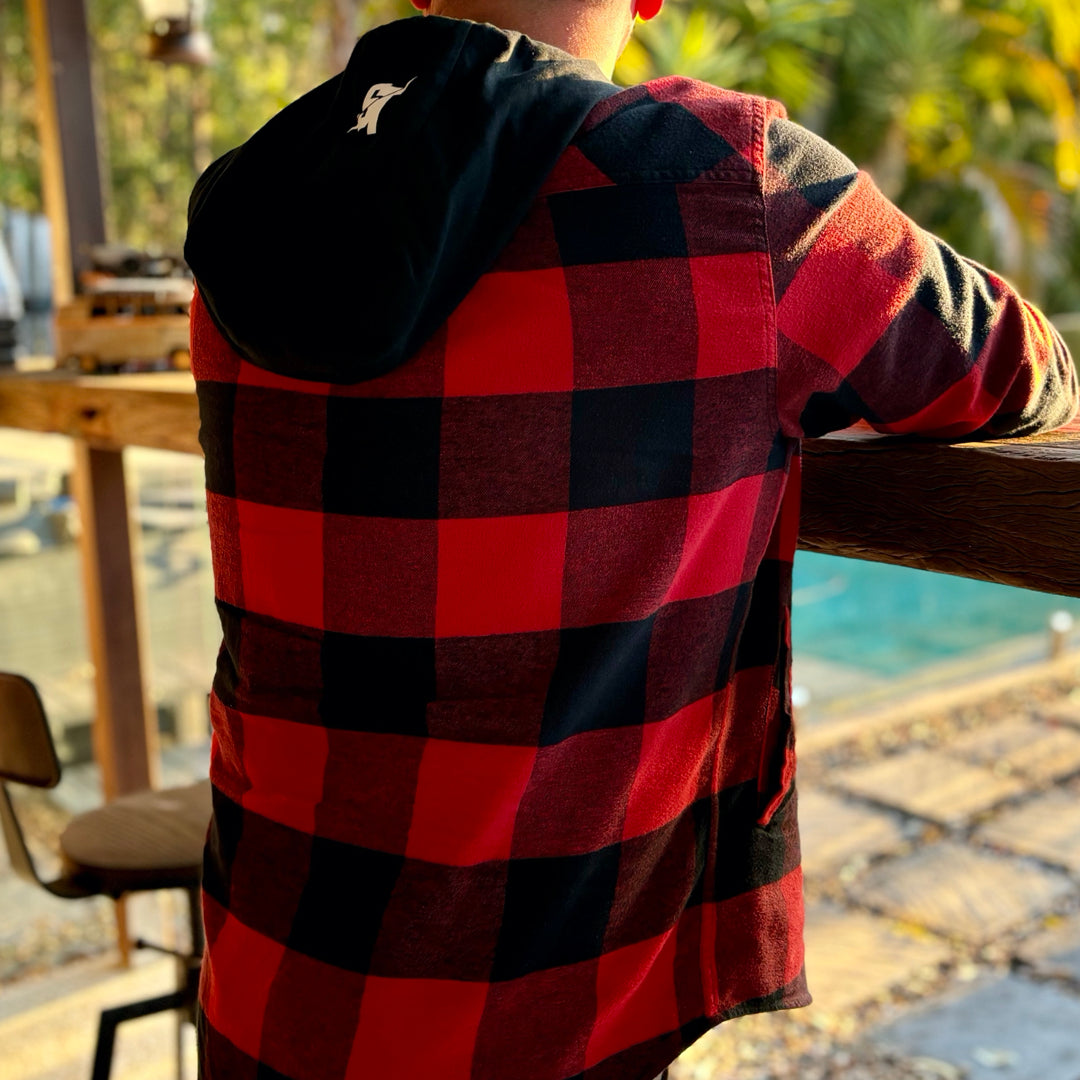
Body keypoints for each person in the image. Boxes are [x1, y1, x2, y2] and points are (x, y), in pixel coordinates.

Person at [182, 0, 1078, 1076]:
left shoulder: (263, 201)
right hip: (547, 1011)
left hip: (274, 969)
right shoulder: (726, 180)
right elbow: (1021, 374)